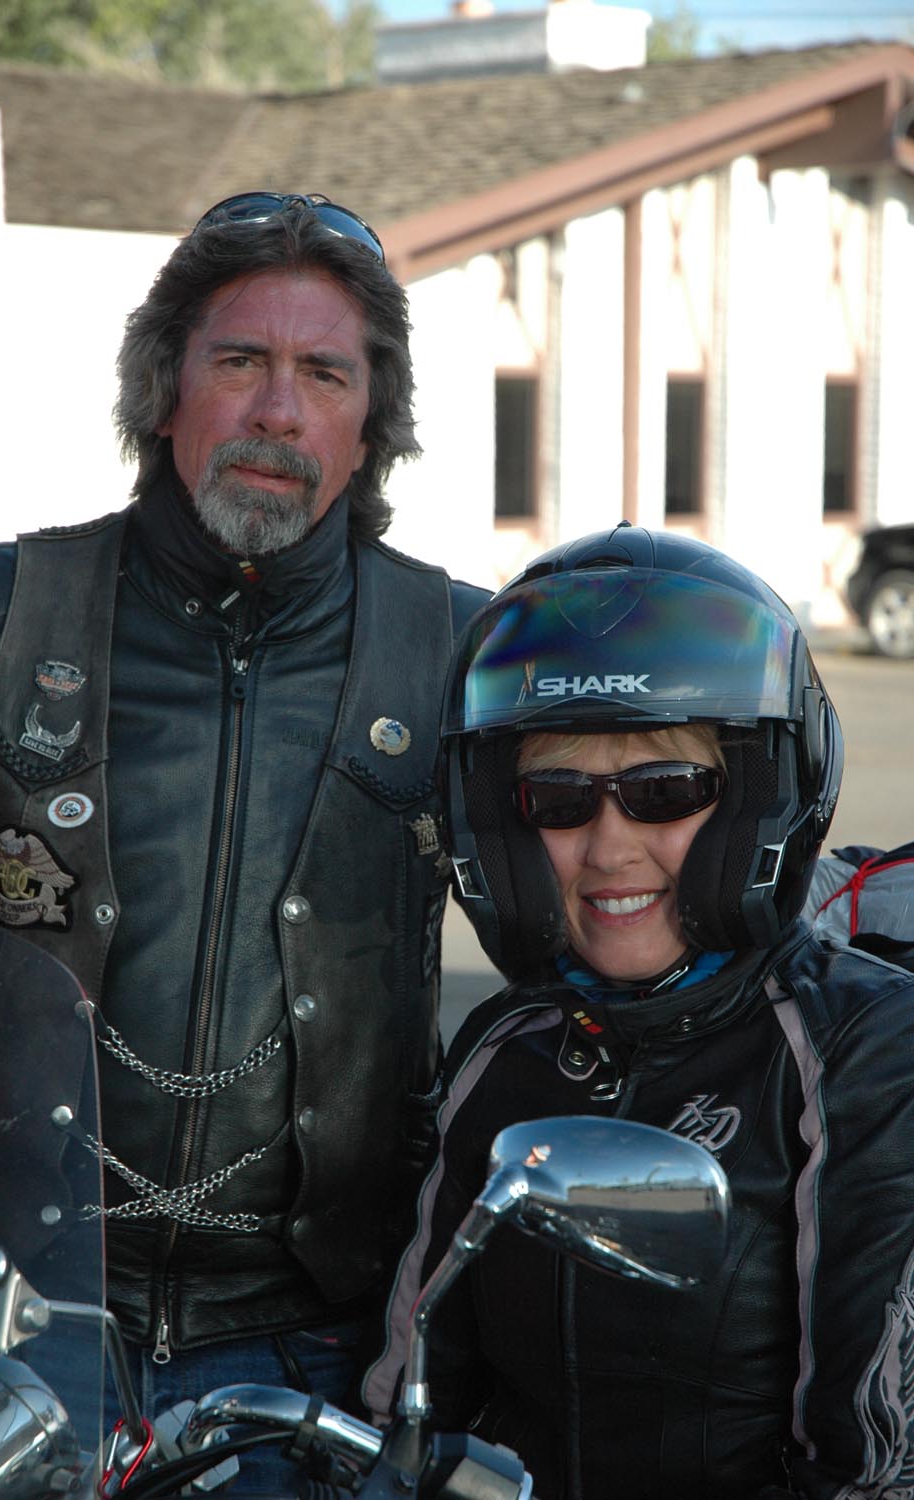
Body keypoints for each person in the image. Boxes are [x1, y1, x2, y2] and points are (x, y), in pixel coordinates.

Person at [0, 192, 488, 1485]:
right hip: (3, 1321)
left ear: (370, 425)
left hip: (319, 1350)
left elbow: (596, 953)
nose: (277, 411)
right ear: (163, 390)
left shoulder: (461, 652)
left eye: (324, 374)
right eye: (239, 361)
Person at [365, 524, 914, 1500]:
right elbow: (408, 1407)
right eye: (556, 798)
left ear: (755, 800)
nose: (609, 848)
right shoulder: (506, 1047)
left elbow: (860, 1466)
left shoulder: (856, 1049)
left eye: (666, 791)